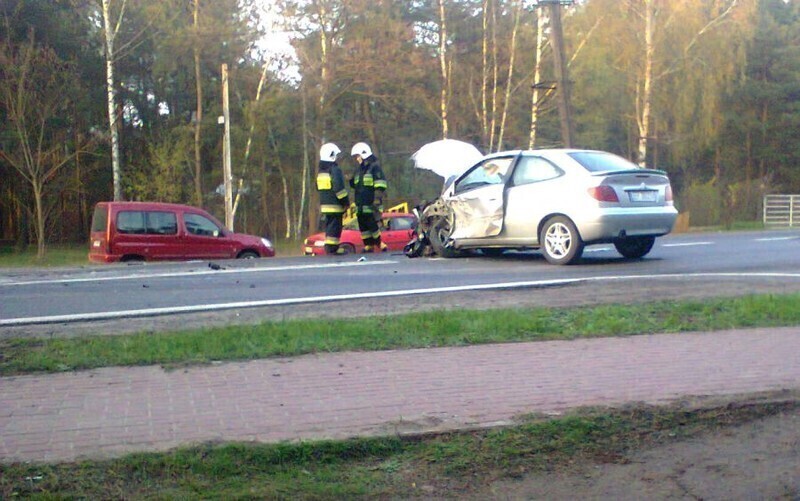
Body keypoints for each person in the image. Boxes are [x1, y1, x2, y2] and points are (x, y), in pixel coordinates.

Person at [349, 142, 388, 252]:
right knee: (363, 226)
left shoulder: (374, 168)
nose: (357, 159)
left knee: (372, 224)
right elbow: (354, 185)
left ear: (364, 154)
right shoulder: (359, 170)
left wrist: (376, 199)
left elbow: (381, 184)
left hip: (370, 203)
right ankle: (368, 245)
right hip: (360, 204)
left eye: (358, 156)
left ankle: (379, 243)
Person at [317, 142, 350, 255]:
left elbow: (318, 188)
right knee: (335, 227)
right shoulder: (335, 170)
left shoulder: (321, 172)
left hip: (325, 205)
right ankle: (333, 248)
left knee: (329, 226)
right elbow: (339, 189)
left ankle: (329, 246)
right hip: (335, 205)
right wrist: (345, 202)